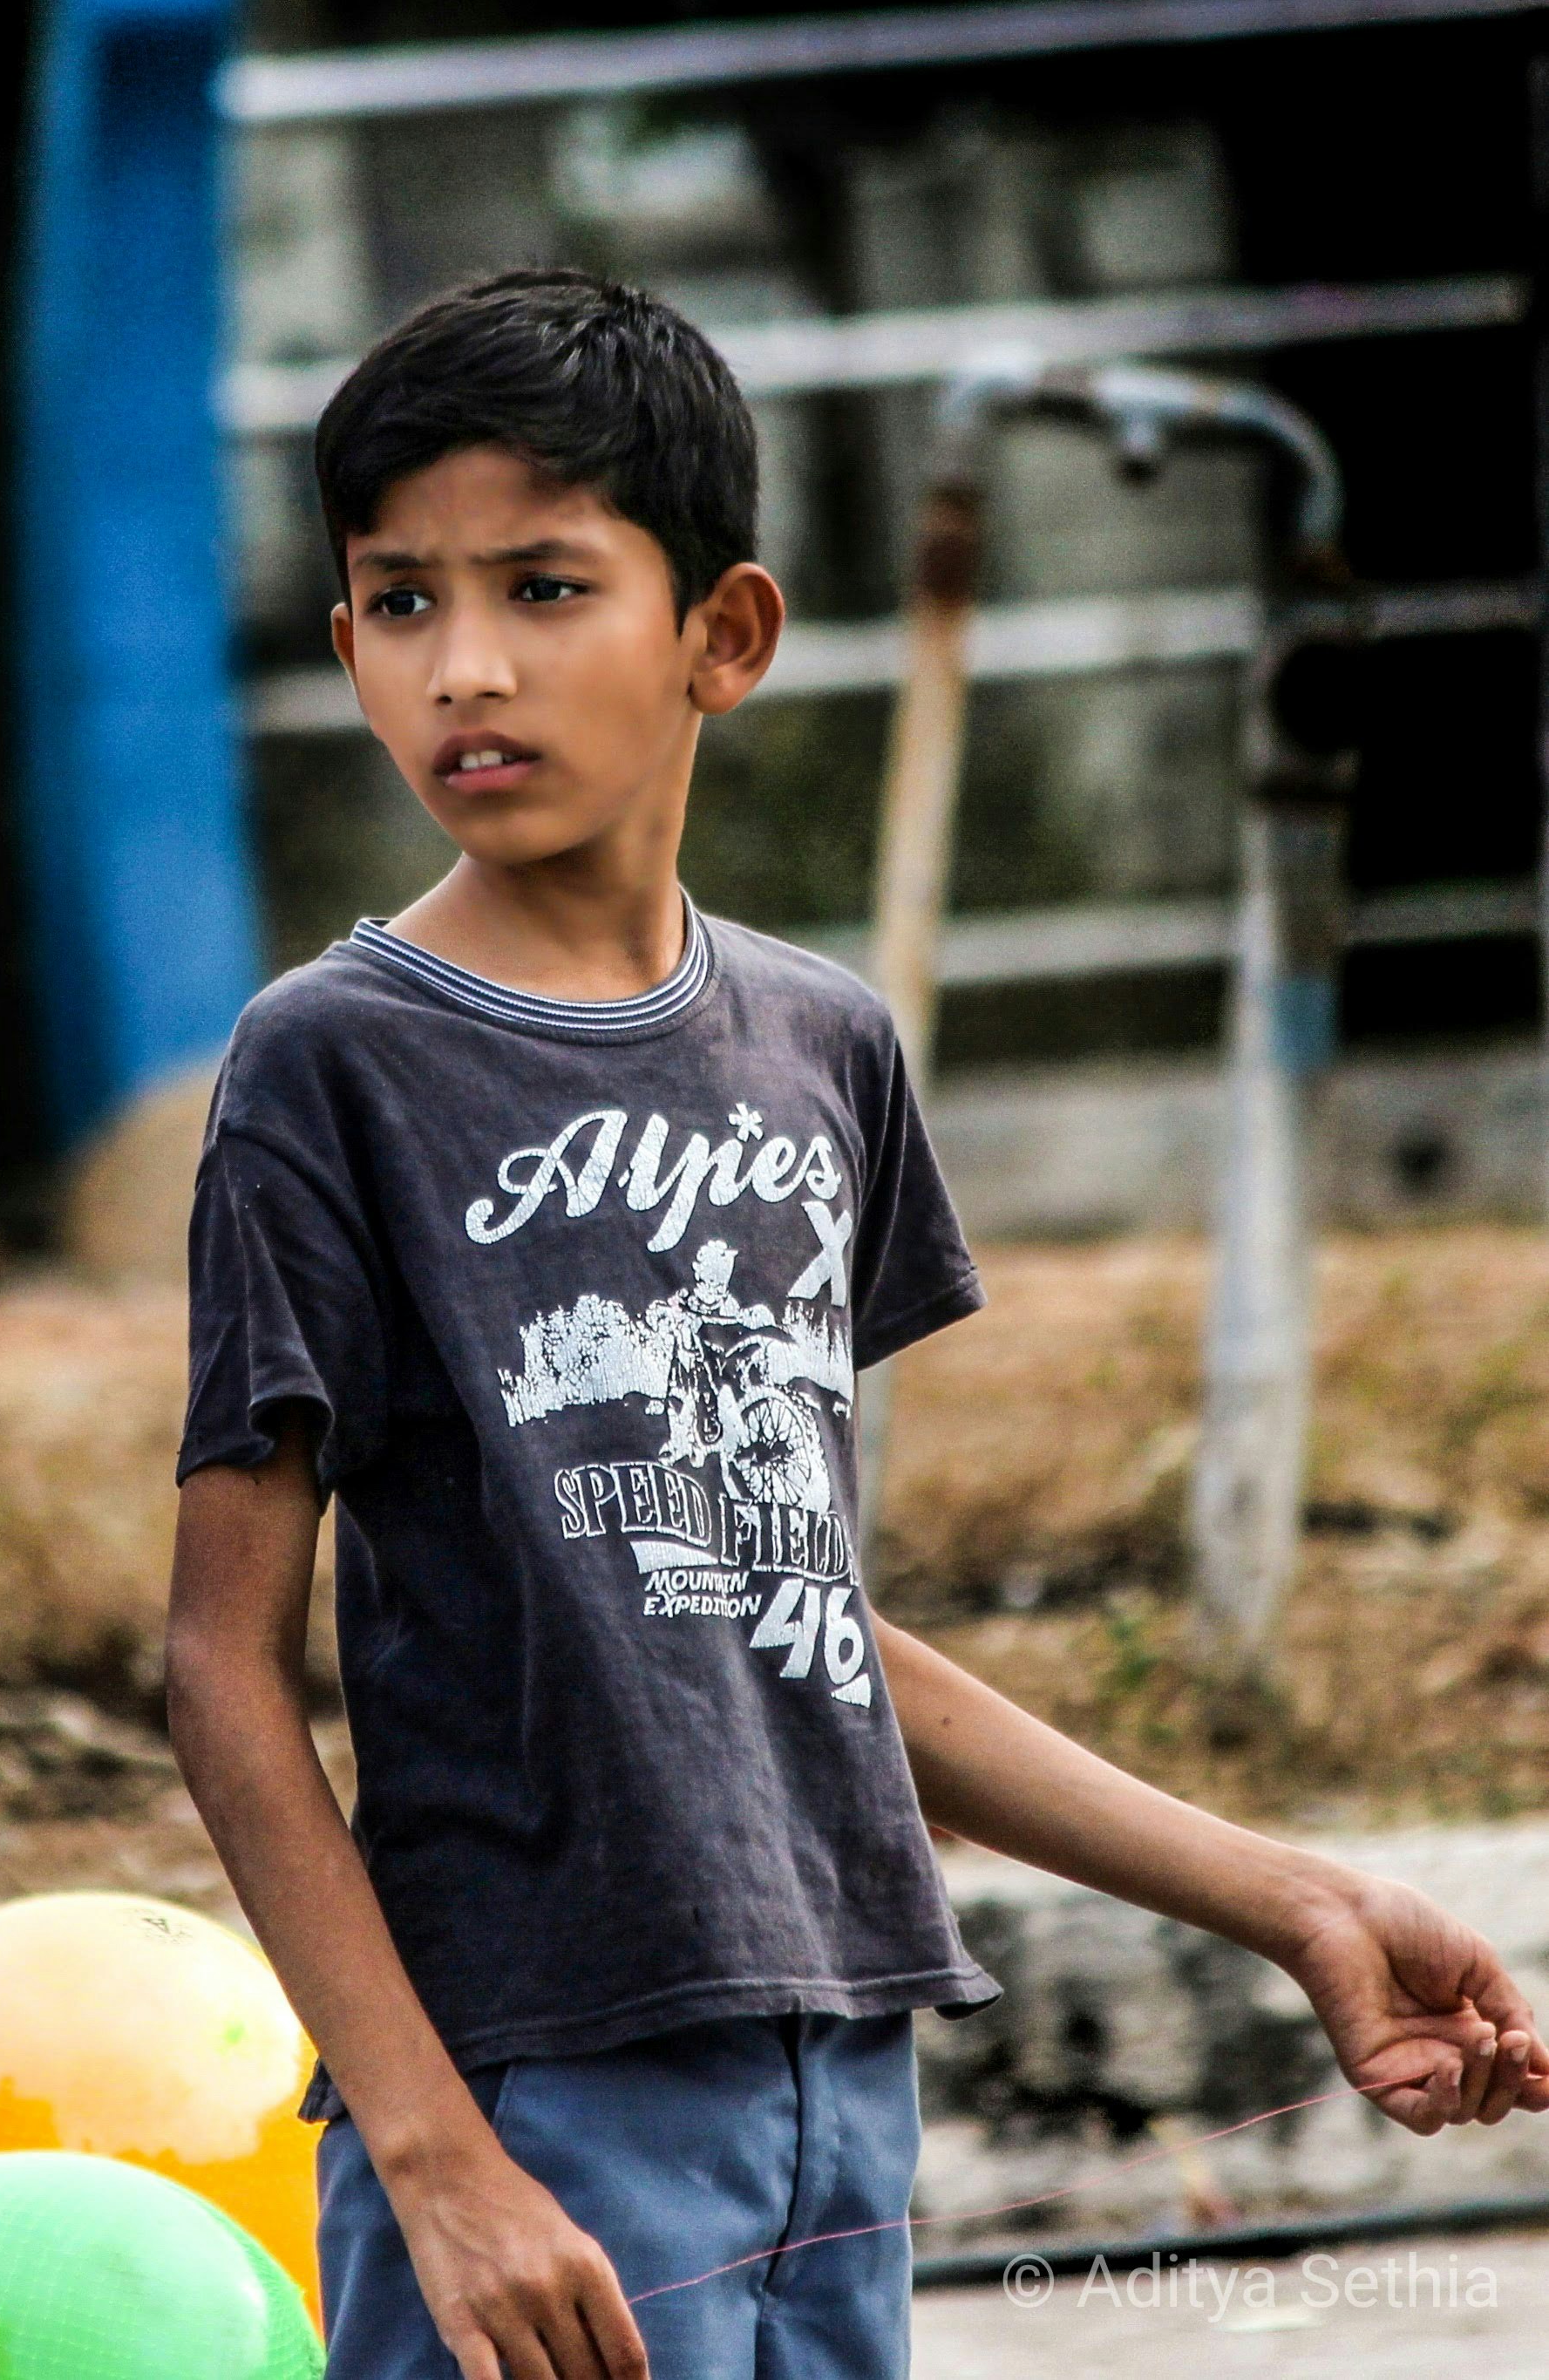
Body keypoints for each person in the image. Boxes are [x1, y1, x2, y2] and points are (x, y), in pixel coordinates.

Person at [164, 270, 1549, 2380]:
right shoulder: (333, 1064)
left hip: (839, 2074)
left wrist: (1295, 1900)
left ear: (724, 633)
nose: (467, 667)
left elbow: (790, 1616)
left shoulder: (822, 1048)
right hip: (538, 2095)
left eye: (543, 586)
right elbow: (220, 1665)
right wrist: (437, 2160)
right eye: (401, 602)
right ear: (346, 639)